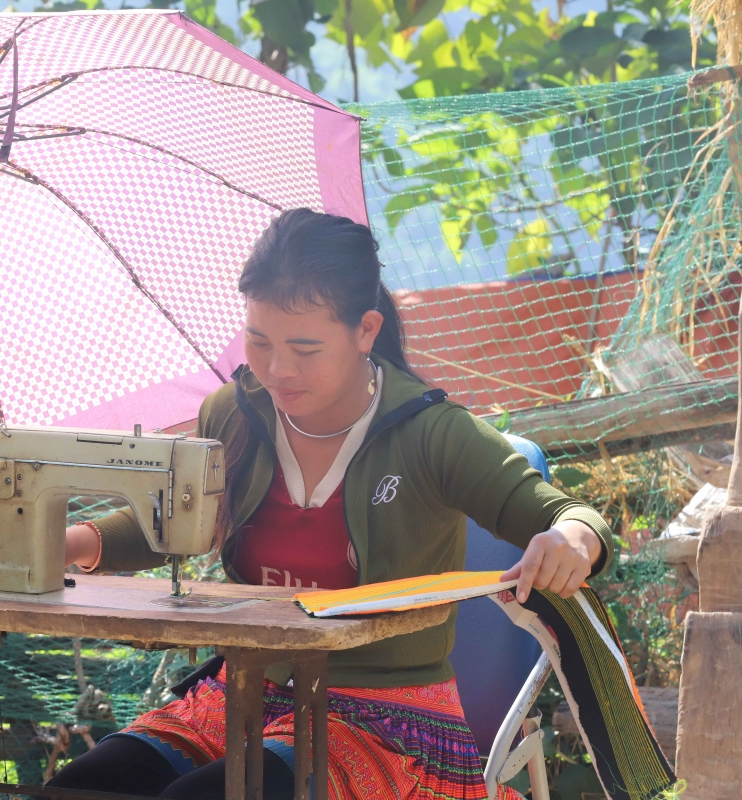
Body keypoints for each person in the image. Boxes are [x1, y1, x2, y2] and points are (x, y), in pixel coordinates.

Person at [48, 209, 612, 800]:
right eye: (258, 341)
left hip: (387, 719)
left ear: (365, 330)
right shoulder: (234, 414)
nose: (276, 370)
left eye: (305, 348)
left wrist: (570, 541)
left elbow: (573, 519)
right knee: (85, 788)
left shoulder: (432, 434)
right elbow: (178, 519)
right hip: (247, 692)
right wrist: (72, 544)